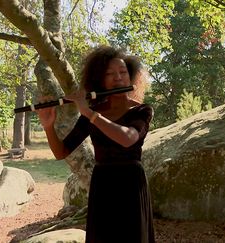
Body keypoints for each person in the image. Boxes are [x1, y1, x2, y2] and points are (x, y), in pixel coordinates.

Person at [37, 45, 155, 243]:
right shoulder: (92, 113)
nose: (118, 77)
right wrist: (48, 126)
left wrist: (90, 113)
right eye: (110, 74)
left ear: (131, 75)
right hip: (103, 184)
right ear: (100, 80)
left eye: (123, 72)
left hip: (131, 184)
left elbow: (128, 138)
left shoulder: (142, 111)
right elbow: (61, 152)